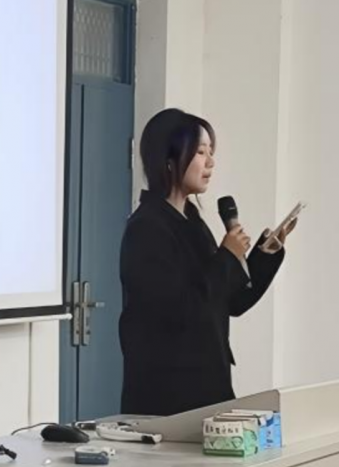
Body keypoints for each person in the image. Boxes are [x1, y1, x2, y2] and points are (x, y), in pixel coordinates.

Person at [118, 108, 296, 417]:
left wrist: (265, 253)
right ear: (169, 158)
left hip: (210, 385)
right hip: (168, 395)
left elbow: (230, 301)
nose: (210, 162)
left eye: (211, 152)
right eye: (201, 152)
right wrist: (227, 256)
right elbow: (180, 309)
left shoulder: (192, 221)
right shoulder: (147, 228)